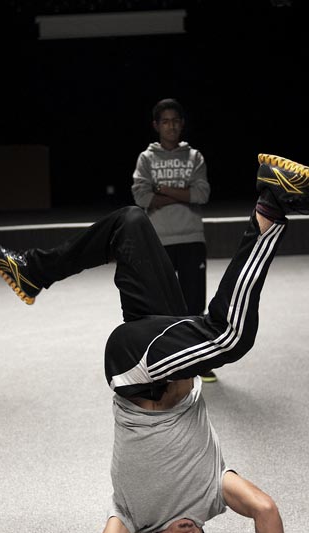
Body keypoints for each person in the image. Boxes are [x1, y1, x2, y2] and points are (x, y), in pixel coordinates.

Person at [0, 153, 309, 533]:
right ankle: (33, 271)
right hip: (165, 353)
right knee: (131, 223)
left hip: (136, 373)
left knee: (229, 336)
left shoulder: (135, 517)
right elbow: (266, 511)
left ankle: (270, 209)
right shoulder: (214, 496)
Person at [131, 98, 216, 382]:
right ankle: (165, 361)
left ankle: (198, 360)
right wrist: (182, 192)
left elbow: (202, 194)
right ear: (156, 125)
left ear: (182, 124)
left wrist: (163, 190)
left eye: (175, 121)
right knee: (161, 305)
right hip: (159, 240)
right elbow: (141, 197)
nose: (171, 126)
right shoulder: (146, 159)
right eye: (165, 121)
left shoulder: (195, 157)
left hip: (191, 237)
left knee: (194, 304)